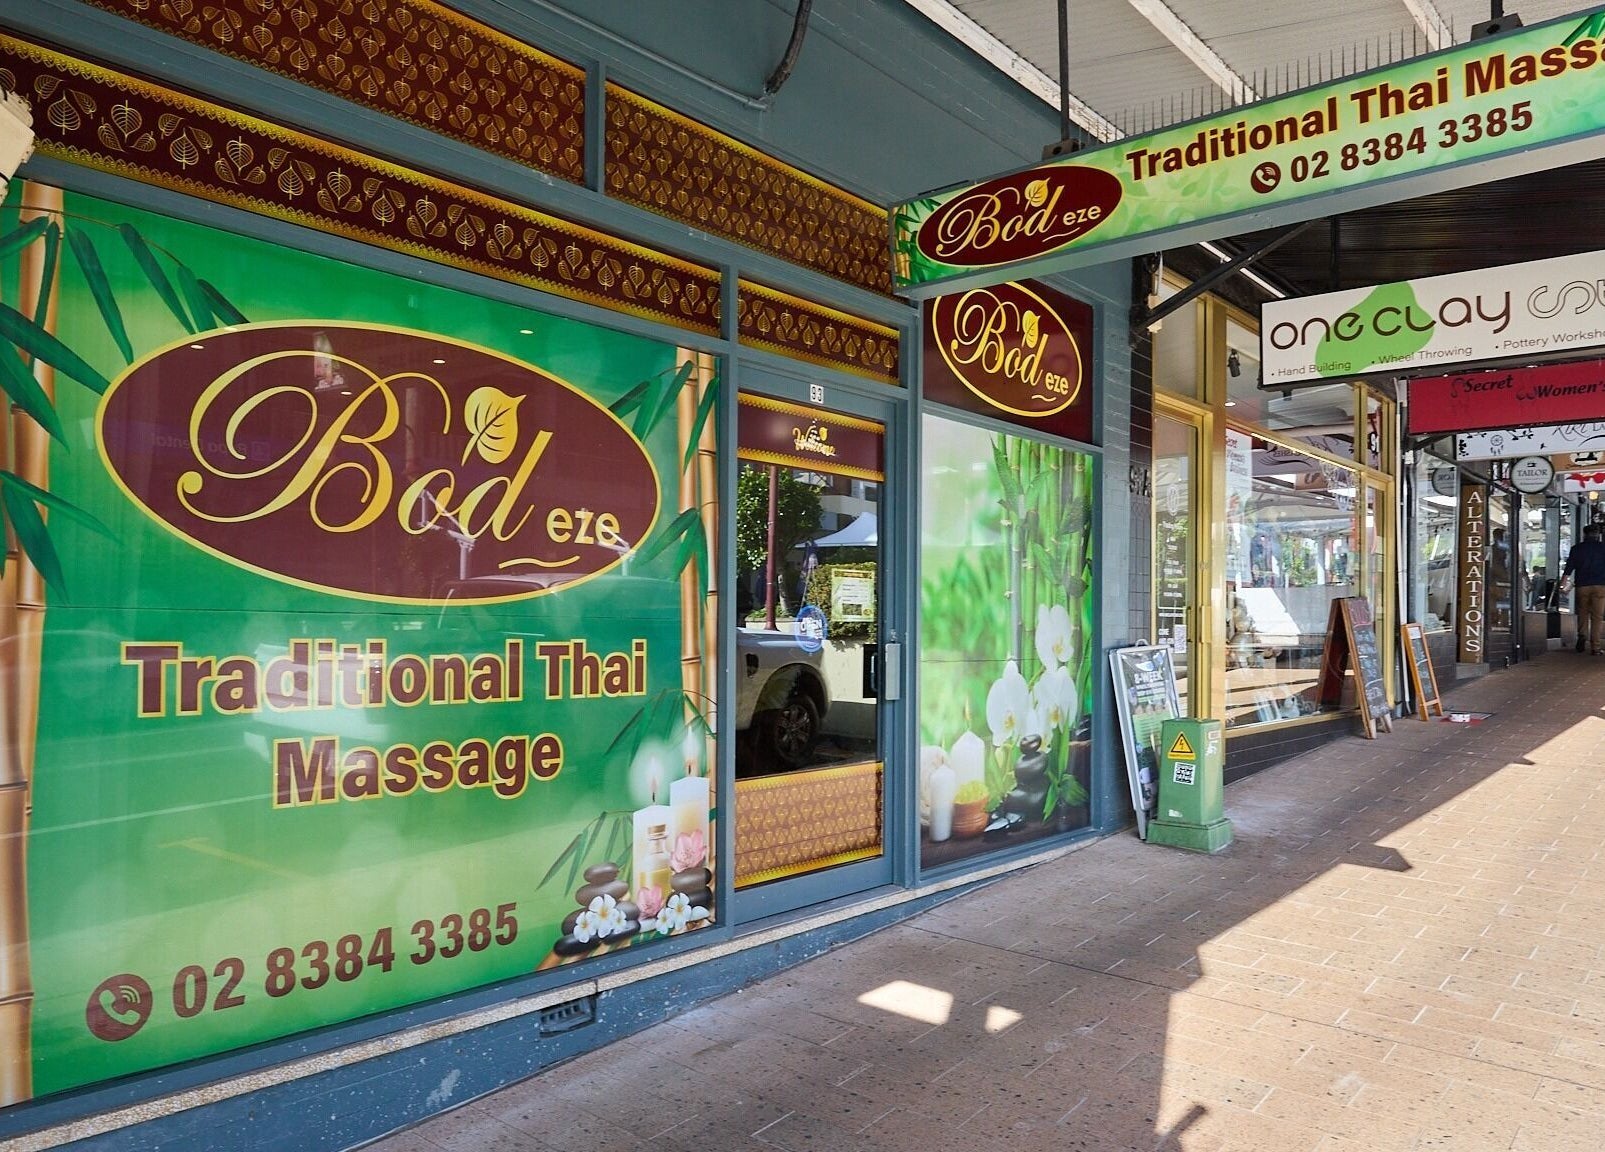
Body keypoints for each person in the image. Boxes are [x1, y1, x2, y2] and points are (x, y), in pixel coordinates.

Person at [1561, 524, 1605, 654]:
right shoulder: (1603, 548)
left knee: (1583, 612)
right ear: (1598, 535)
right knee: (1597, 617)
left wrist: (1562, 583)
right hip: (1600, 586)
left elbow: (1569, 567)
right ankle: (1595, 647)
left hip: (1582, 586)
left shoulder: (1576, 549)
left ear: (1584, 534)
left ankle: (1582, 635)